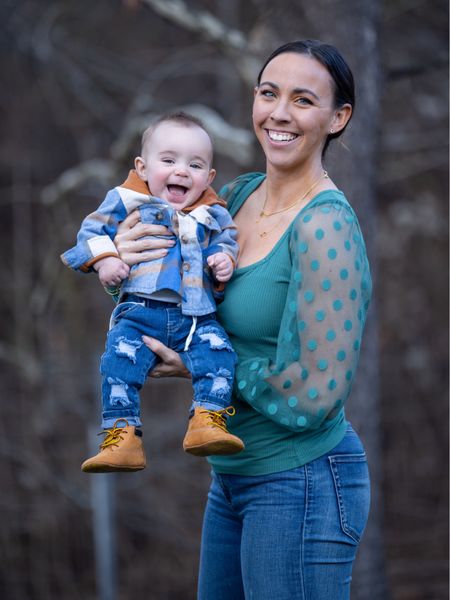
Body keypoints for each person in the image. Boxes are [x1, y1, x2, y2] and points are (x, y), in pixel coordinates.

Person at [114, 40, 372, 599]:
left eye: (303, 100)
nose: (279, 113)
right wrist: (121, 246)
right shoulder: (233, 196)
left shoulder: (325, 227)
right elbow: (150, 226)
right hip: (233, 480)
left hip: (303, 482)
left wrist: (203, 365)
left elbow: (314, 394)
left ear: (338, 117)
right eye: (268, 93)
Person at [61, 112, 245, 474]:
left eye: (194, 165)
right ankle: (122, 436)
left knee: (220, 355)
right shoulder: (126, 199)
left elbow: (227, 240)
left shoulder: (214, 211)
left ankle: (207, 420)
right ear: (142, 167)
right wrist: (106, 260)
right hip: (140, 312)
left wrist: (224, 258)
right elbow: (90, 232)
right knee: (117, 364)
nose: (181, 171)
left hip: (197, 316)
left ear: (208, 177)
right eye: (169, 160)